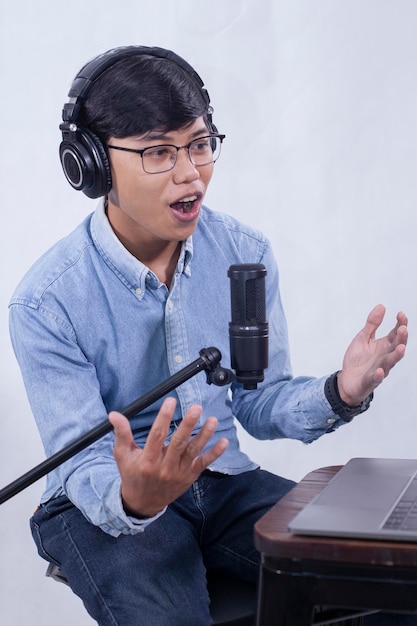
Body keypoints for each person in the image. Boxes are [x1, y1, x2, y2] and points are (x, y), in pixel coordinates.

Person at [8, 45, 410, 626]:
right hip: (100, 499)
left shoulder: (243, 253)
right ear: (90, 165)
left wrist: (339, 391)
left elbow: (256, 401)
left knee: (386, 586)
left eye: (199, 144)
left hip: (221, 482)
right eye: (159, 153)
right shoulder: (46, 301)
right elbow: (82, 460)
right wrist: (136, 497)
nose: (190, 172)